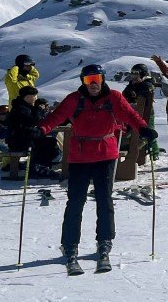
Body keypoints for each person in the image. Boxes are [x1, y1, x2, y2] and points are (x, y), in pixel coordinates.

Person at [38, 64, 156, 272]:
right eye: (88, 80)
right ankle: (70, 245)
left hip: (105, 155)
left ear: (102, 79)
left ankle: (105, 241)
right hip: (80, 157)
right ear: (83, 82)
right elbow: (56, 117)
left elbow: (130, 115)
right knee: (75, 201)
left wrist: (144, 129)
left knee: (104, 200)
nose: (93, 84)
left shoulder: (114, 98)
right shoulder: (74, 99)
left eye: (96, 79)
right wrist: (40, 129)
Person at [117, 64, 157, 182]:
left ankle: (151, 151)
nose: (134, 76)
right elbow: (124, 96)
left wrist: (139, 87)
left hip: (145, 114)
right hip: (133, 114)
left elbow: (146, 91)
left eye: (136, 73)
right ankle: (131, 148)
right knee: (127, 133)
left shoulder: (148, 83)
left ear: (142, 74)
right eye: (133, 73)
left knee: (147, 134)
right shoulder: (131, 84)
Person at [5, 87, 40, 181]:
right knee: (43, 143)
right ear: (27, 97)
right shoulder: (21, 109)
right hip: (18, 141)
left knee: (48, 141)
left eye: (35, 96)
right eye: (32, 96)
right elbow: (32, 122)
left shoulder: (25, 107)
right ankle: (35, 169)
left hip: (21, 138)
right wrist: (37, 109)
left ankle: (39, 167)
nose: (34, 98)